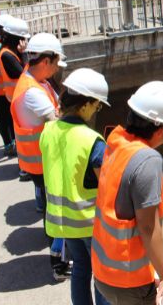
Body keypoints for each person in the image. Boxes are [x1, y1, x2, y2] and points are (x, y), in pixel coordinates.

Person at [93, 81, 163, 305]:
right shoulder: (148, 160)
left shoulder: (116, 141)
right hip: (130, 281)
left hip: (103, 272)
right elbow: (147, 226)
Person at [40, 68, 111, 304]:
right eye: (97, 105)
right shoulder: (92, 141)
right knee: (102, 276)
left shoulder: (48, 131)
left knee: (80, 268)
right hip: (90, 223)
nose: (96, 110)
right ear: (85, 104)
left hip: (62, 223)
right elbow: (107, 186)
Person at [10, 31, 71, 279]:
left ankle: (56, 250)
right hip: (43, 162)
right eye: (56, 64)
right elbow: (57, 119)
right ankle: (58, 264)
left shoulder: (35, 81)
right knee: (54, 211)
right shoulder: (32, 91)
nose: (57, 70)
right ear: (45, 61)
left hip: (41, 160)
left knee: (49, 208)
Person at [0, 14, 24, 159]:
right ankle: (9, 145)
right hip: (0, 89)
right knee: (4, 119)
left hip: (4, 89)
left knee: (8, 119)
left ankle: (11, 143)